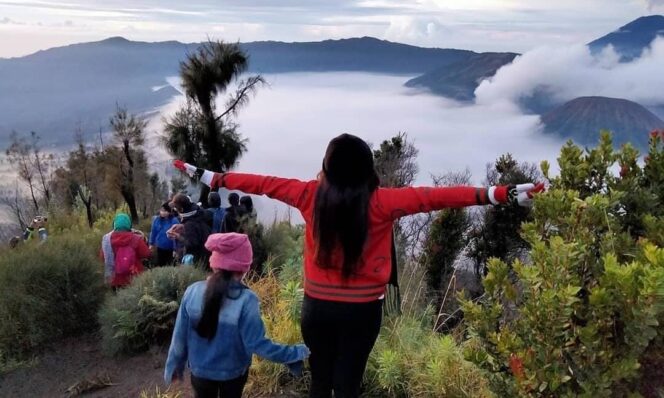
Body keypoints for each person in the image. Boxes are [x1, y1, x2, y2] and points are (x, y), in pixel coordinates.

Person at [173, 133, 544, 398]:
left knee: (320, 381)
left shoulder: (308, 195)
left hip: (316, 308)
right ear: (367, 169)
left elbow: (263, 183)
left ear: (327, 168)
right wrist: (500, 194)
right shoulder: (382, 202)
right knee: (348, 384)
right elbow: (435, 197)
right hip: (363, 311)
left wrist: (211, 177)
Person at [164, 233, 310, 398]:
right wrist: (295, 353)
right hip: (233, 375)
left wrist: (174, 365)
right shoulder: (247, 300)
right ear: (244, 268)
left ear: (214, 264)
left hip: (200, 372)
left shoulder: (192, 291)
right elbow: (258, 345)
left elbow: (179, 337)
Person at [100, 213, 151, 289]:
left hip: (114, 279)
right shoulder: (136, 238)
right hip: (134, 277)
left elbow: (102, 257)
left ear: (114, 225)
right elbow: (146, 254)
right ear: (129, 224)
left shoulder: (107, 239)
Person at [167, 193, 211, 265]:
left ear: (181, 209)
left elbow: (192, 243)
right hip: (206, 255)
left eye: (175, 208)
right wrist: (183, 226)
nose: (175, 210)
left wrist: (178, 236)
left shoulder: (190, 224)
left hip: (197, 259)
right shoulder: (197, 214)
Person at [149, 202, 179, 266]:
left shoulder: (174, 220)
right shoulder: (157, 219)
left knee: (170, 265)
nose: (162, 212)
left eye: (165, 211)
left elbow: (176, 236)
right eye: (161, 210)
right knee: (160, 264)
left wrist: (175, 249)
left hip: (171, 249)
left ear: (169, 211)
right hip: (160, 247)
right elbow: (153, 232)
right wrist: (151, 243)